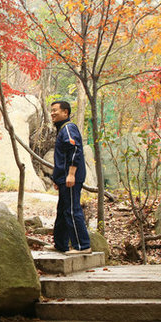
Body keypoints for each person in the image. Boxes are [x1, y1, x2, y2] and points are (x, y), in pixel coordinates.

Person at [50, 100, 91, 254]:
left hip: (71, 177)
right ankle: (60, 244)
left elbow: (75, 150)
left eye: (56, 110)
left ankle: (83, 246)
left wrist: (71, 174)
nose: (53, 113)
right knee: (62, 210)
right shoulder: (61, 129)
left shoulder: (68, 128)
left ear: (65, 112)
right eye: (52, 110)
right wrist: (57, 178)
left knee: (72, 210)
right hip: (64, 178)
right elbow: (62, 157)